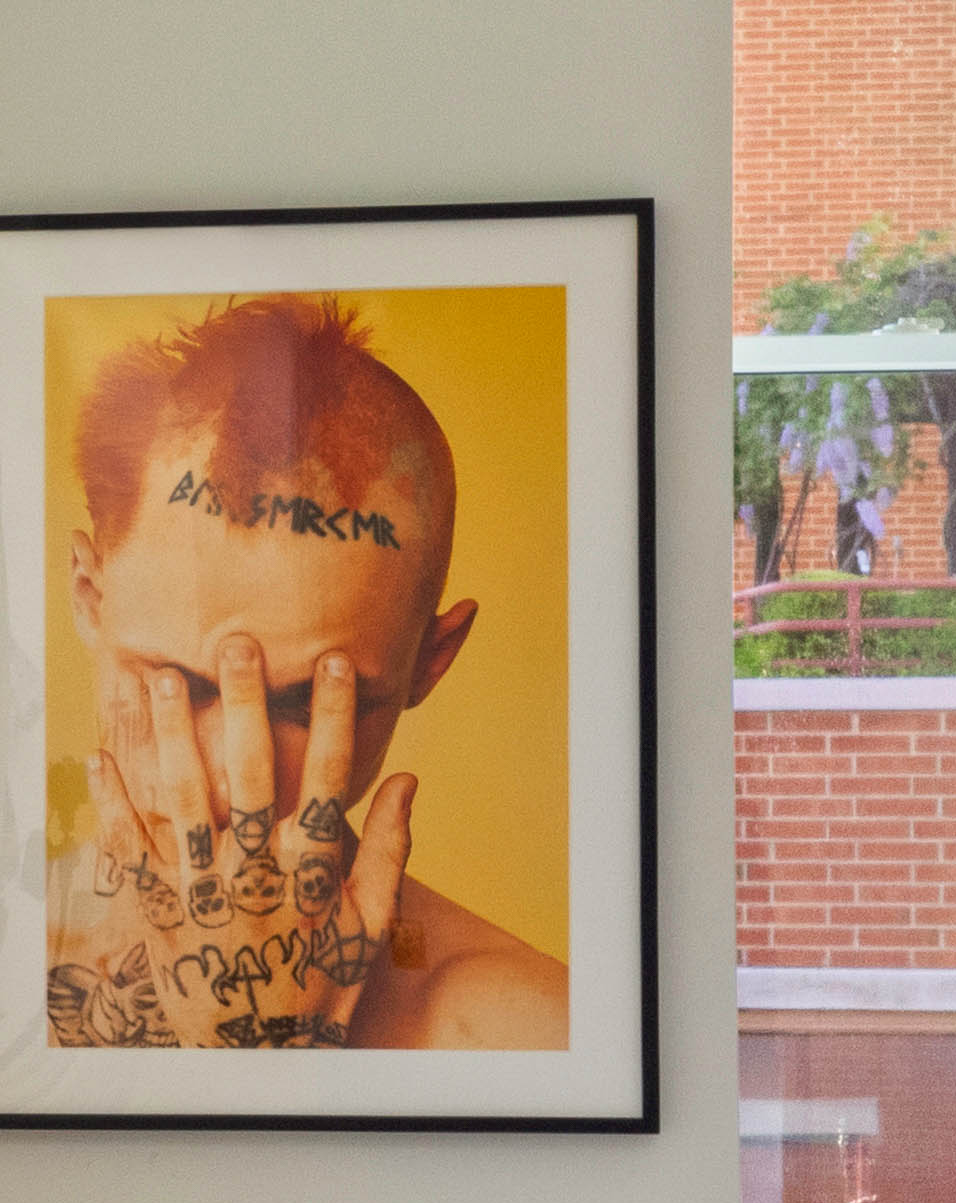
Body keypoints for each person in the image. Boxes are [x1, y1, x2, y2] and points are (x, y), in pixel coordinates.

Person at [43, 294, 567, 1052]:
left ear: (431, 662)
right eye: (178, 686)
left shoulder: (529, 1036)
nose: (229, 783)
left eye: (309, 705)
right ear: (89, 596)